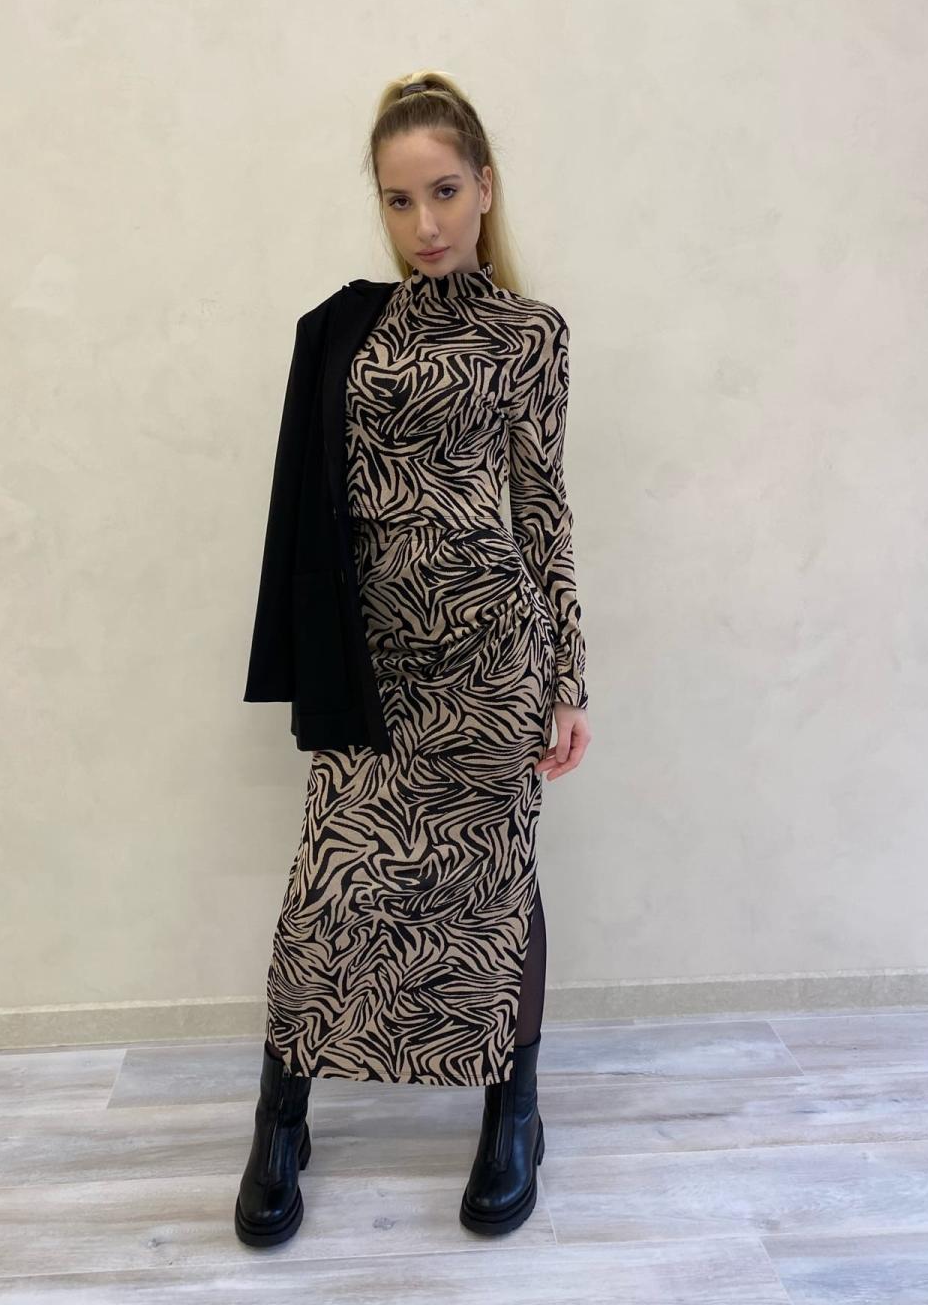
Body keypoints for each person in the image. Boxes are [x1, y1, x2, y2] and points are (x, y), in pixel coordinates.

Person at [235, 70, 592, 1248]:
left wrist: (569, 679)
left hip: (492, 660)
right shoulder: (347, 331)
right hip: (370, 660)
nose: (425, 223)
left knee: (498, 887)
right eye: (399, 200)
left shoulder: (532, 335)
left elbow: (543, 509)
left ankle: (513, 1111)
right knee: (329, 888)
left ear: (485, 187)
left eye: (443, 191)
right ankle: (282, 1115)